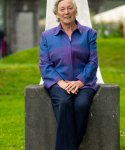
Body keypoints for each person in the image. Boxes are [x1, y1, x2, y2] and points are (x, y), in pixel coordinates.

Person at [39, 0, 98, 149]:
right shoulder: (47, 36)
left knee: (82, 105)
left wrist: (79, 81)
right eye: (62, 9)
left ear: (75, 11)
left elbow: (92, 62)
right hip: (59, 83)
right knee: (64, 103)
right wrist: (61, 83)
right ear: (57, 13)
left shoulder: (89, 33)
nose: (66, 12)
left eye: (70, 8)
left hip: (84, 84)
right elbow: (45, 64)